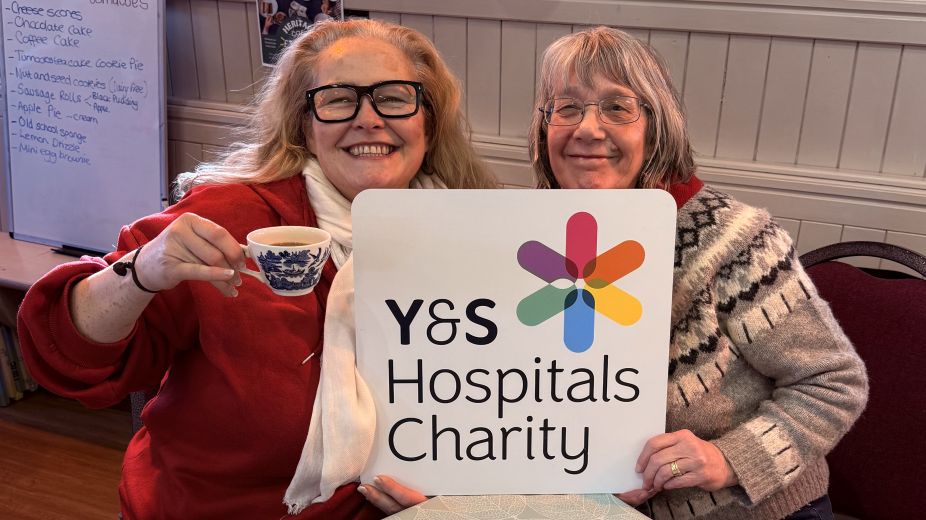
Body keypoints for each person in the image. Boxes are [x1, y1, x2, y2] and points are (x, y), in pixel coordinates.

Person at [18, 19, 494, 520]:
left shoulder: (472, 236)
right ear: (304, 127)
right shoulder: (229, 221)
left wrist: (453, 495)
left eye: (395, 98)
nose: (369, 119)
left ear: (429, 120)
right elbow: (68, 354)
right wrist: (141, 271)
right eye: (337, 100)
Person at [527, 27, 868, 519]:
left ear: (656, 126)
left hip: (758, 511)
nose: (587, 129)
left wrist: (729, 459)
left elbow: (834, 382)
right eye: (566, 108)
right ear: (544, 128)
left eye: (617, 107)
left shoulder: (734, 238)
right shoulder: (524, 241)